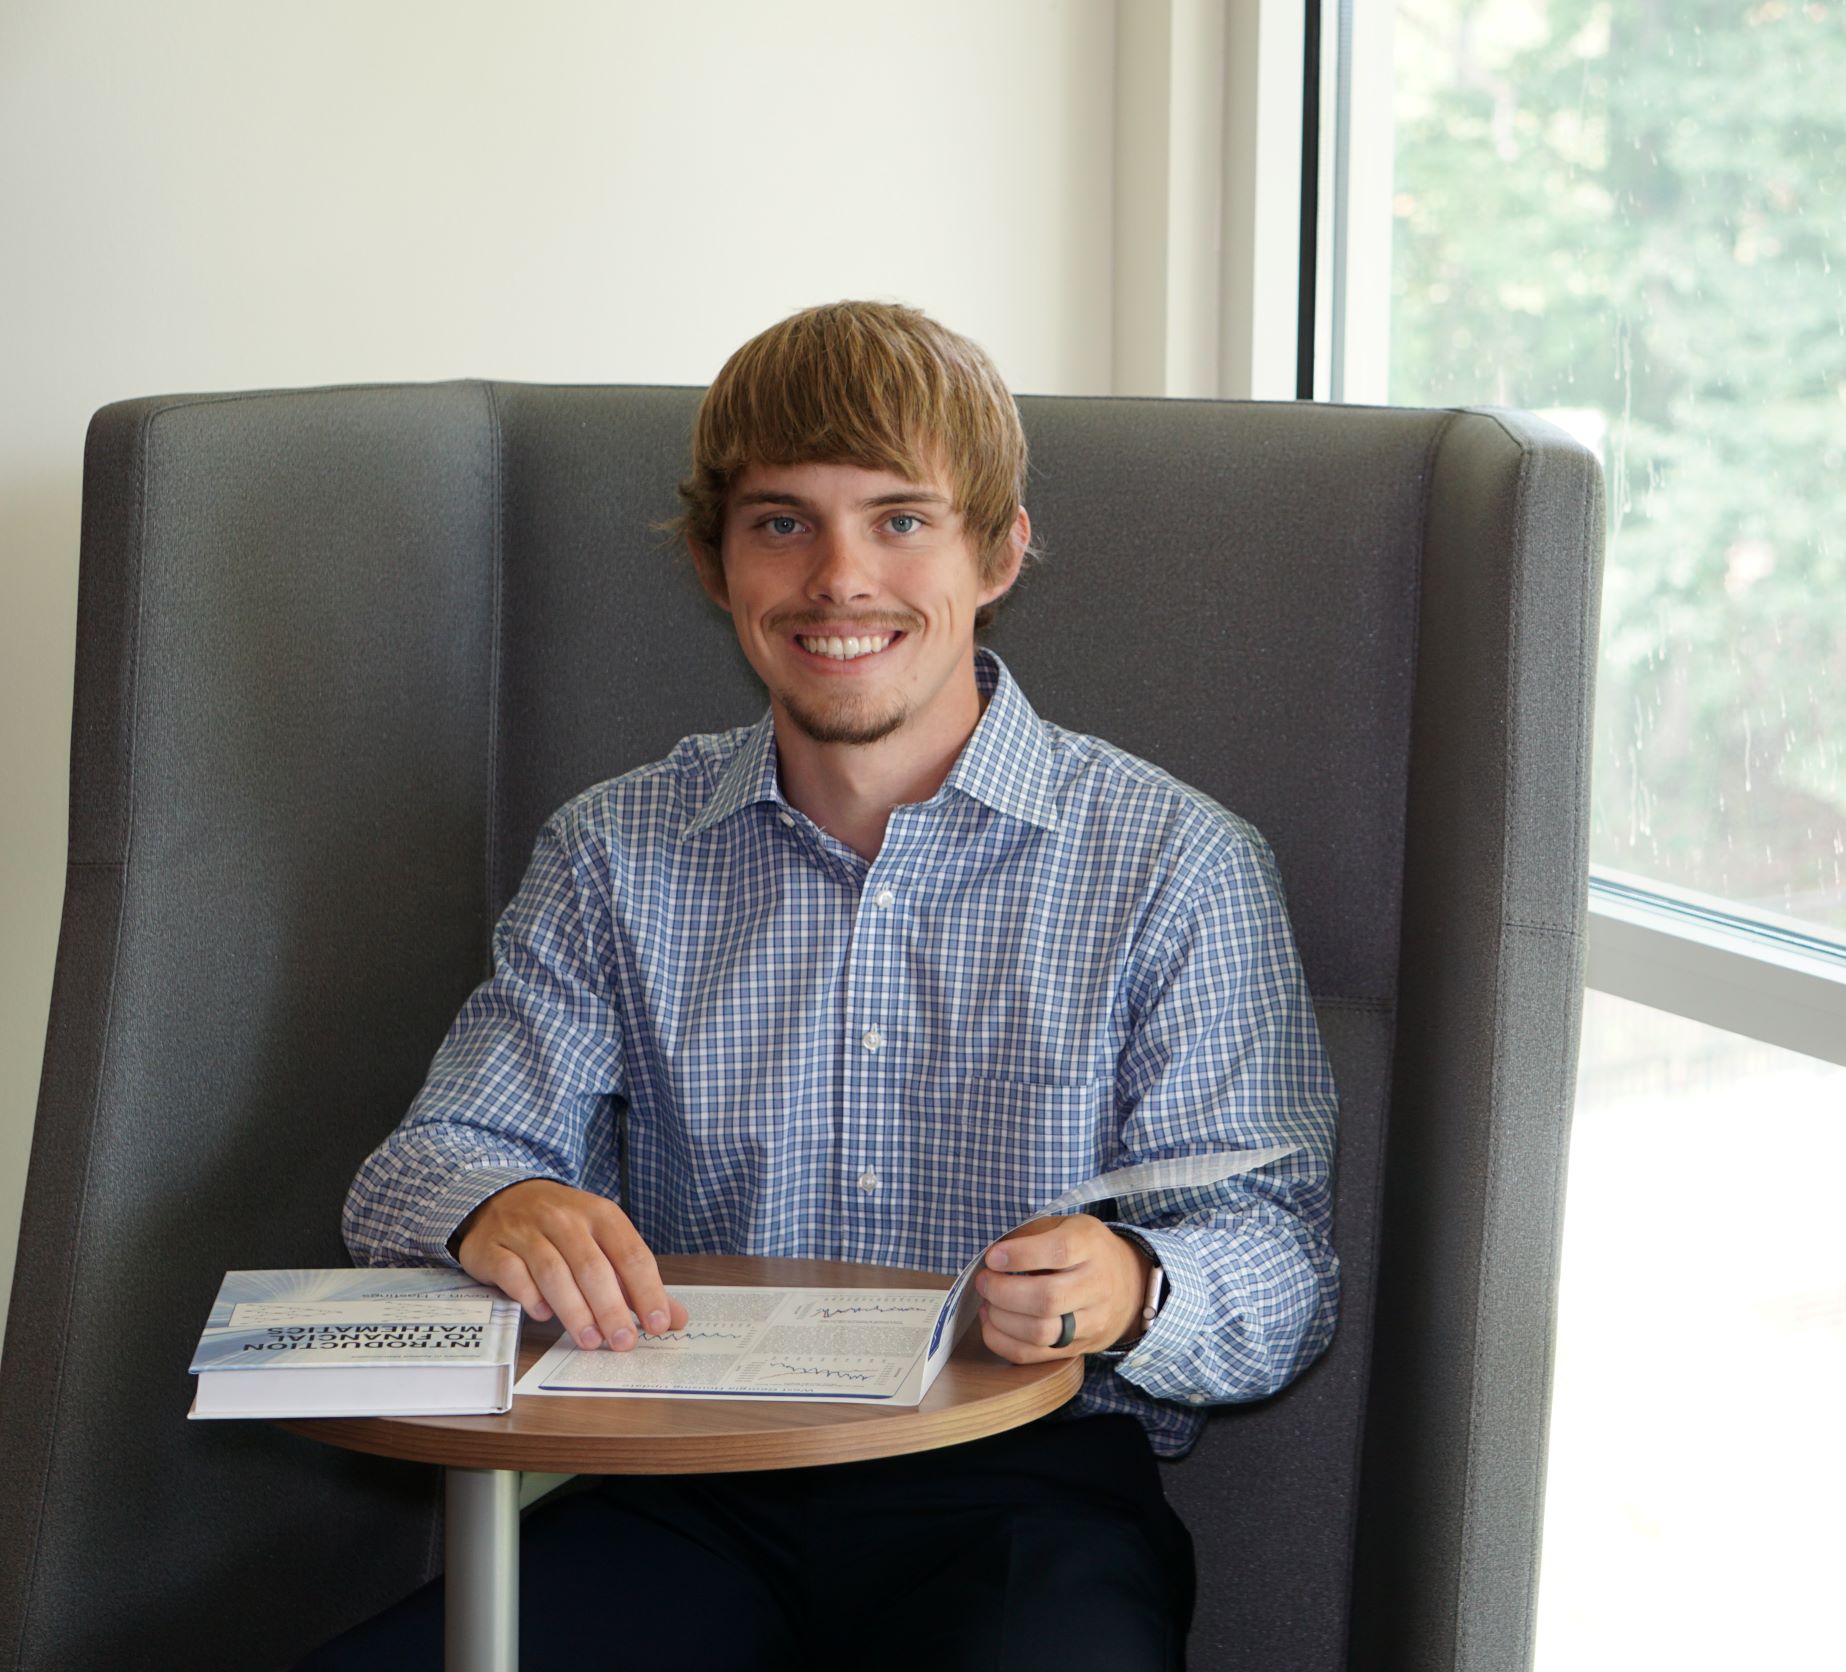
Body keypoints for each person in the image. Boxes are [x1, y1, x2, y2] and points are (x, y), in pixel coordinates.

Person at [299, 301, 1339, 1672]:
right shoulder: (613, 853)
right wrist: (500, 1203)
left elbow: (1283, 1261)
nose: (839, 578)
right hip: (686, 1497)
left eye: (901, 519)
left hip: (1024, 1501)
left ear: (999, 548)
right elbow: (420, 1164)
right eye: (783, 522)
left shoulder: (1177, 864)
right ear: (714, 564)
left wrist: (1139, 1285)